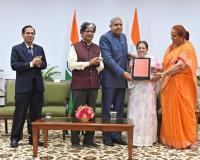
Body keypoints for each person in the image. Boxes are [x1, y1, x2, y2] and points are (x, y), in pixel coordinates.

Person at [155, 25, 198, 149]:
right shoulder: (171, 48)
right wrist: (154, 69)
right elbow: (166, 65)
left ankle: (189, 140)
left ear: (182, 36)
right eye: (171, 35)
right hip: (169, 86)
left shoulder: (188, 48)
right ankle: (170, 139)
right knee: (169, 113)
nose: (171, 38)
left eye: (174, 36)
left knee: (186, 112)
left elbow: (179, 66)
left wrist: (163, 74)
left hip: (183, 86)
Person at [10, 25, 47, 148]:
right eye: (28, 33)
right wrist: (32, 64)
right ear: (23, 34)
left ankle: (34, 138)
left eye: (32, 33)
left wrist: (39, 63)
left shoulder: (39, 49)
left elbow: (44, 65)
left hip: (37, 87)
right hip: (23, 88)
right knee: (20, 113)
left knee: (36, 115)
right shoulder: (16, 49)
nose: (30, 35)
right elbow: (15, 66)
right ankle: (15, 138)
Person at [68, 22, 104, 147]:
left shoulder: (97, 48)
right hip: (79, 85)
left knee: (91, 112)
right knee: (77, 112)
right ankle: (75, 140)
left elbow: (101, 66)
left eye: (92, 31)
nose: (90, 33)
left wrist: (98, 64)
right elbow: (71, 65)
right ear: (82, 33)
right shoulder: (75, 47)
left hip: (93, 85)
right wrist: (89, 63)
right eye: (87, 31)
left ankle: (89, 140)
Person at [99, 17, 132, 146]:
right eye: (115, 25)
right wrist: (123, 73)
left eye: (120, 24)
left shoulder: (123, 36)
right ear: (110, 26)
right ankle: (107, 136)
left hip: (121, 80)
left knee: (119, 109)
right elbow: (108, 59)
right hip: (110, 79)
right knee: (107, 109)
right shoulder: (105, 38)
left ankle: (116, 136)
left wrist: (130, 56)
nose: (118, 27)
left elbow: (122, 55)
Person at [127, 41, 161, 147]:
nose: (141, 49)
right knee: (135, 113)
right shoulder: (132, 61)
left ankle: (148, 139)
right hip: (136, 90)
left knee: (147, 113)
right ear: (137, 49)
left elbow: (160, 73)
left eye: (143, 48)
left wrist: (153, 72)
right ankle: (134, 139)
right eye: (139, 48)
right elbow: (130, 75)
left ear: (147, 49)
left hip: (148, 90)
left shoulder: (153, 60)